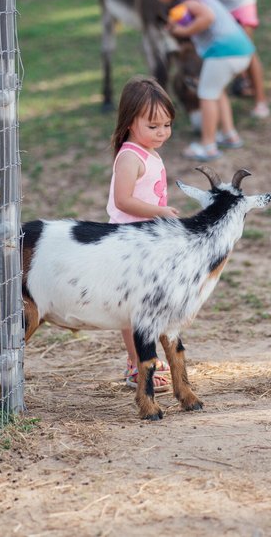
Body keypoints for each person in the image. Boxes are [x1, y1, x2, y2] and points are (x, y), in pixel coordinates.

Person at [107, 76, 181, 391]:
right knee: (132, 308)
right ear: (129, 122)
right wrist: (160, 213)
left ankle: (145, 357)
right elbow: (123, 201)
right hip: (127, 243)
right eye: (153, 126)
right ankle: (137, 362)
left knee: (149, 304)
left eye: (166, 125)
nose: (162, 132)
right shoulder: (129, 156)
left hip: (146, 242)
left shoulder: (149, 151)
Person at [146, 0, 254, 161]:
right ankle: (229, 134)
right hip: (240, 50)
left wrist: (183, 32)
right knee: (217, 91)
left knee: (206, 94)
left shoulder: (189, 1)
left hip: (224, 52)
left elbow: (208, 17)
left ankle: (208, 145)